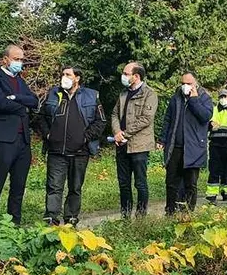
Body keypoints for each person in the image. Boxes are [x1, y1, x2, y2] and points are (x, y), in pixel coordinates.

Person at [43, 66, 106, 226]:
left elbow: (100, 121)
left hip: (80, 152)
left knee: (75, 187)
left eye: (68, 74)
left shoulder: (91, 96)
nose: (63, 77)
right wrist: (47, 134)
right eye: (62, 74)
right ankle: (51, 218)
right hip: (56, 151)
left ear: (77, 78)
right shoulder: (53, 93)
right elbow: (40, 117)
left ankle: (71, 217)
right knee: (54, 186)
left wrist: (85, 137)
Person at [0, 45, 39, 225]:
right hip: (3, 138)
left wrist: (16, 98)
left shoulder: (20, 81)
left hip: (23, 140)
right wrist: (23, 107)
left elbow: (35, 101)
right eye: (16, 59)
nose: (19, 63)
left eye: (22, 59)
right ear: (5, 60)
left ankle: (14, 222)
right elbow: (0, 103)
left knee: (19, 185)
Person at [159, 72, 213, 215]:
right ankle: (170, 211)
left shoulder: (204, 98)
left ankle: (187, 212)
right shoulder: (176, 98)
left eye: (189, 84)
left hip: (194, 147)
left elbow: (205, 117)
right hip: (175, 146)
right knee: (171, 182)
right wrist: (162, 139)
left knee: (190, 183)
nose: (185, 86)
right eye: (183, 83)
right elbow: (168, 119)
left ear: (195, 83)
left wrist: (194, 99)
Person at [111, 62, 158, 219]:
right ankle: (125, 216)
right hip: (122, 146)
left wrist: (125, 134)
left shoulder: (149, 94)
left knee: (140, 183)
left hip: (139, 146)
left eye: (126, 73)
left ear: (136, 76)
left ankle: (141, 216)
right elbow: (114, 114)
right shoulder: (123, 94)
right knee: (124, 183)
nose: (123, 76)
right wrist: (117, 132)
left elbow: (146, 119)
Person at [206, 89, 227, 203]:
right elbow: (206, 124)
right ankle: (212, 195)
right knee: (214, 169)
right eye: (221, 96)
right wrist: (210, 125)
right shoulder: (213, 110)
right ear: (218, 98)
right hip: (215, 144)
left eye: (224, 96)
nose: (223, 98)